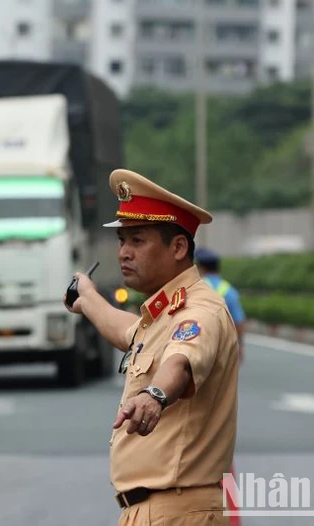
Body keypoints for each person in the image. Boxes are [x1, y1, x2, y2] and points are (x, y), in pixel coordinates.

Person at [64, 169, 240, 526]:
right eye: (122, 241)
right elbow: (129, 333)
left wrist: (154, 395)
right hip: (155, 511)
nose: (124, 253)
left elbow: (180, 360)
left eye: (138, 240)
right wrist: (88, 300)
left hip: (177, 511)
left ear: (177, 247)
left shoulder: (198, 310)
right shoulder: (165, 314)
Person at [195, 247, 246, 364]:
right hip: (224, 348)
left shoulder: (195, 288)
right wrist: (240, 345)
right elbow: (239, 321)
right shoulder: (229, 290)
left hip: (197, 345)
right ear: (218, 268)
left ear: (199, 268)